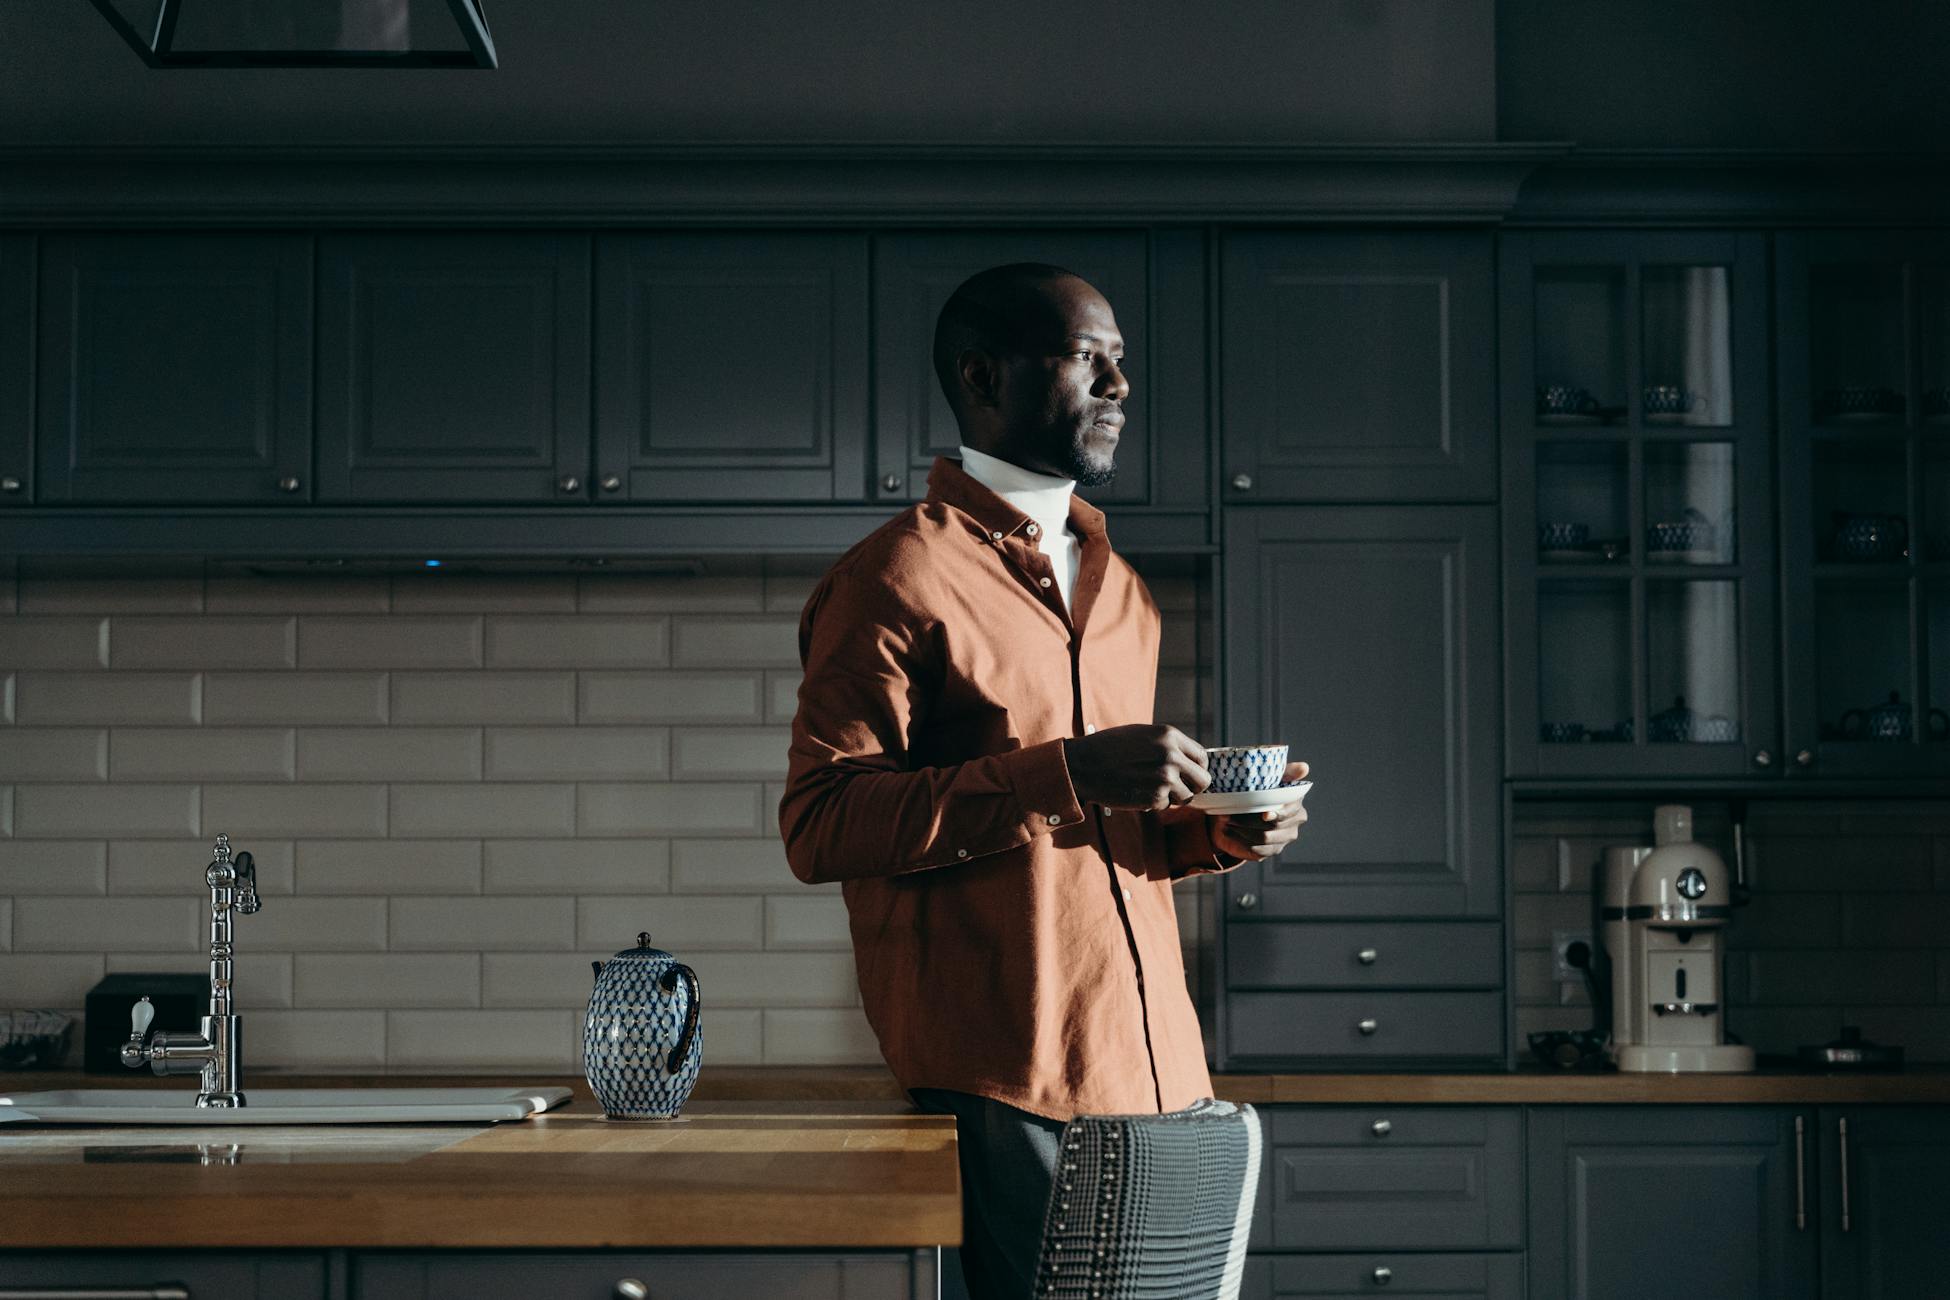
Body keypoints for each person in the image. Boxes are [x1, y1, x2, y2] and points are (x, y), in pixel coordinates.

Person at [778, 263, 1309, 1299]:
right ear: (984, 377)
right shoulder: (894, 577)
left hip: (1164, 1076)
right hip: (1005, 1082)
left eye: (1121, 362)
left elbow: (1109, 834)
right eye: (1085, 359)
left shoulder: (1127, 594)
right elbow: (822, 822)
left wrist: (1218, 835)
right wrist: (1064, 769)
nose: (1118, 384)